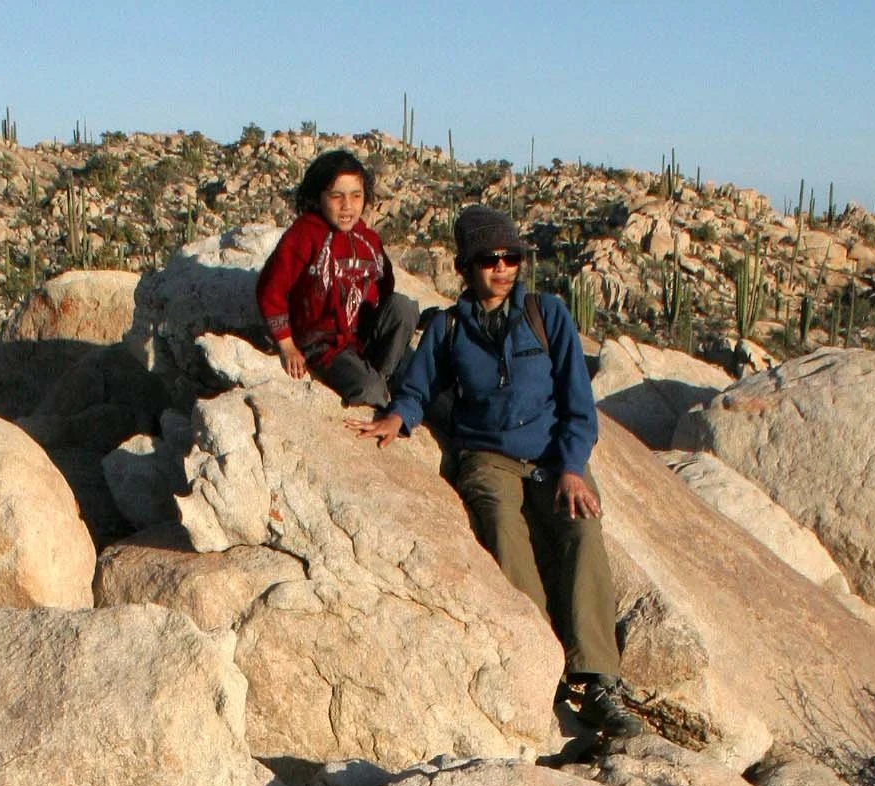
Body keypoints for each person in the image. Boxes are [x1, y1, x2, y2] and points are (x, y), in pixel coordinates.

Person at [354, 205, 637, 747]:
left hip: (554, 457)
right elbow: (417, 387)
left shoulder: (546, 314)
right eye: (490, 260)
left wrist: (573, 469)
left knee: (582, 531)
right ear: (466, 266)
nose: (503, 268)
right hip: (487, 456)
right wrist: (398, 418)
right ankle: (546, 669)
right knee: (505, 532)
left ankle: (599, 680)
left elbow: (579, 404)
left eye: (511, 258)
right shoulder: (449, 326)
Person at [255, 150, 419, 412]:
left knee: (404, 307)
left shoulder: (368, 239)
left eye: (356, 196)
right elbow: (270, 291)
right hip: (323, 345)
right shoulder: (304, 235)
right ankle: (379, 386)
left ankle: (385, 376)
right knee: (367, 389)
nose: (348, 206)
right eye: (336, 196)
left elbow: (385, 290)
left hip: (361, 336)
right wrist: (286, 345)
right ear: (318, 196)